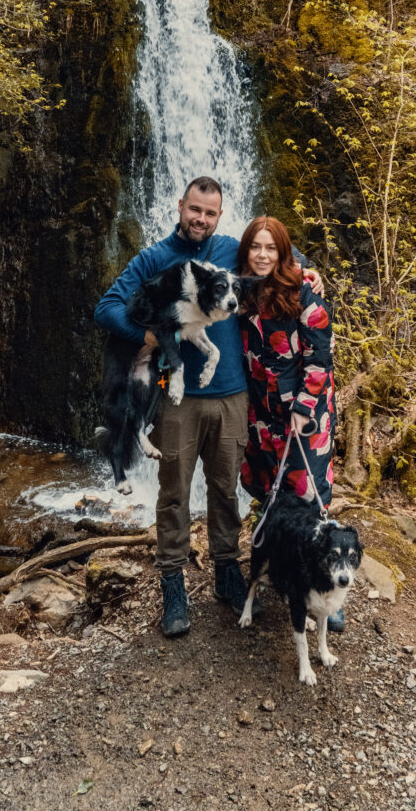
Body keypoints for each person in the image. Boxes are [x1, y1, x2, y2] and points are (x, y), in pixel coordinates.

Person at [94, 177, 322, 638]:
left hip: (235, 395)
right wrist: (148, 338)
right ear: (180, 206)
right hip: (177, 400)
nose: (200, 219)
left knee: (224, 490)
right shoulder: (155, 258)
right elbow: (106, 308)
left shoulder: (230, 252)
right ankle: (174, 584)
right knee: (173, 491)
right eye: (194, 209)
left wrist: (309, 272)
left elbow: (274, 258)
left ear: (220, 216)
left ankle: (226, 572)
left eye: (210, 212)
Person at [237, 216, 344, 632]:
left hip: (306, 416)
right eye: (255, 248)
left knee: (309, 497)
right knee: (270, 491)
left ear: (284, 254)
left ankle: (327, 594)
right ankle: (276, 571)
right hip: (263, 413)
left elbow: (320, 359)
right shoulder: (242, 292)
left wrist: (303, 406)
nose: (262, 255)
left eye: (271, 249)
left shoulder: (306, 298)